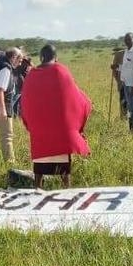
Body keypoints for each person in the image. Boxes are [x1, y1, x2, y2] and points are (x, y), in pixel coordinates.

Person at [20, 45, 91, 188]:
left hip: (40, 129)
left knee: (39, 165)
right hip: (61, 129)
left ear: (41, 58)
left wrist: (30, 123)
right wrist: (86, 104)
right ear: (56, 57)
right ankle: (67, 189)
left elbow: (25, 102)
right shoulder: (61, 71)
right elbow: (76, 98)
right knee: (64, 167)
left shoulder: (32, 75)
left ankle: (37, 188)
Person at [110, 49, 128, 119]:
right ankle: (123, 121)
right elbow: (114, 70)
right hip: (123, 83)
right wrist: (118, 81)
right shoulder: (119, 54)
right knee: (123, 103)